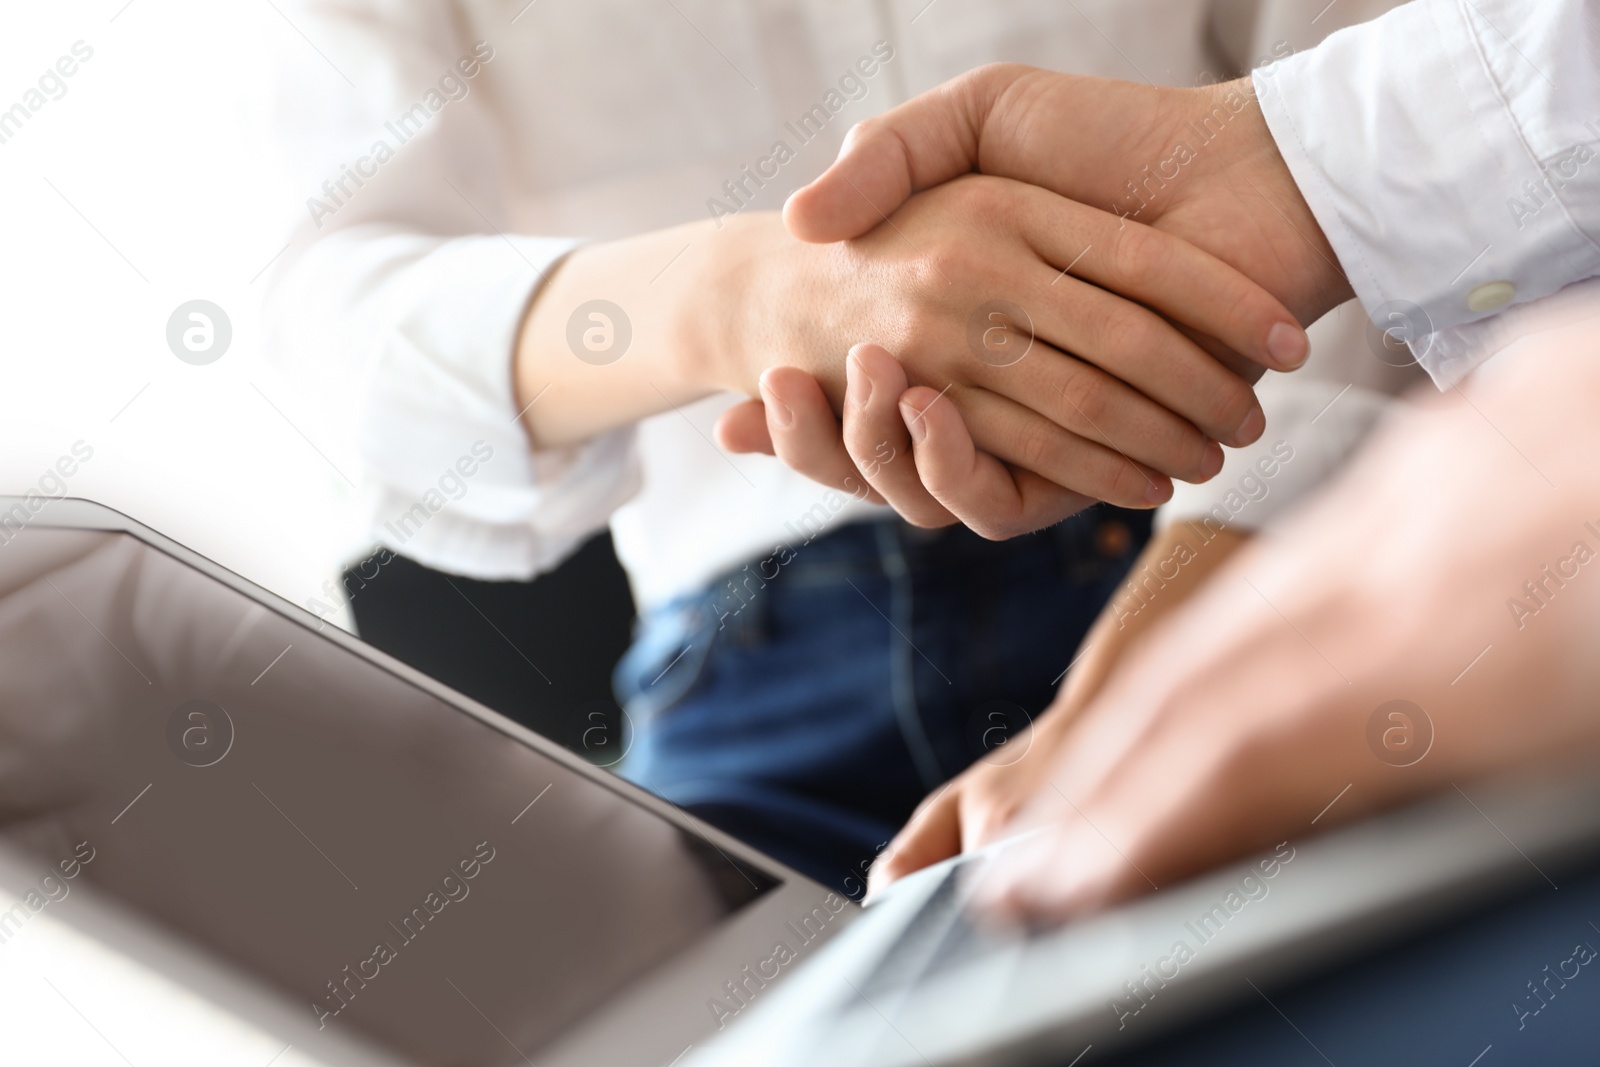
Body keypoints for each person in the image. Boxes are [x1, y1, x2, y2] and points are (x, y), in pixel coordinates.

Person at [264, 0, 1384, 893]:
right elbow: (334, 328)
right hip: (747, 690)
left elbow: (1374, 134)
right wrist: (736, 296)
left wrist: (1184, 628)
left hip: (1246, 544)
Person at [717, 0, 1600, 913]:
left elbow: (1339, 336)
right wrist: (739, 295)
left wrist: (1141, 668)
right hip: (744, 672)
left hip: (1223, 520)